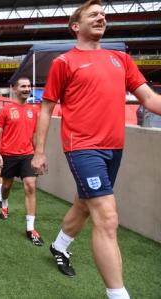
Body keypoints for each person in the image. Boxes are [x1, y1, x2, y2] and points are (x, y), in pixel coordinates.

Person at [31, 1, 161, 298]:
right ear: (76, 26)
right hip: (82, 148)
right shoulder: (64, 62)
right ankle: (117, 295)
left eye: (104, 14)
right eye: (94, 14)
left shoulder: (121, 60)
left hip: (114, 148)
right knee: (107, 216)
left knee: (84, 205)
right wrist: (39, 151)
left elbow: (150, 100)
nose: (101, 17)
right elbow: (46, 109)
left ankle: (59, 245)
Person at [0, 77, 43, 246]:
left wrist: (39, 155)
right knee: (6, 186)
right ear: (15, 89)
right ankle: (5, 204)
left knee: (30, 185)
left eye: (29, 86)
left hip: (27, 154)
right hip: (8, 155)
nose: (26, 89)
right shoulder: (6, 110)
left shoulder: (34, 110)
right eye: (23, 86)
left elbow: (36, 135)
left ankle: (30, 228)